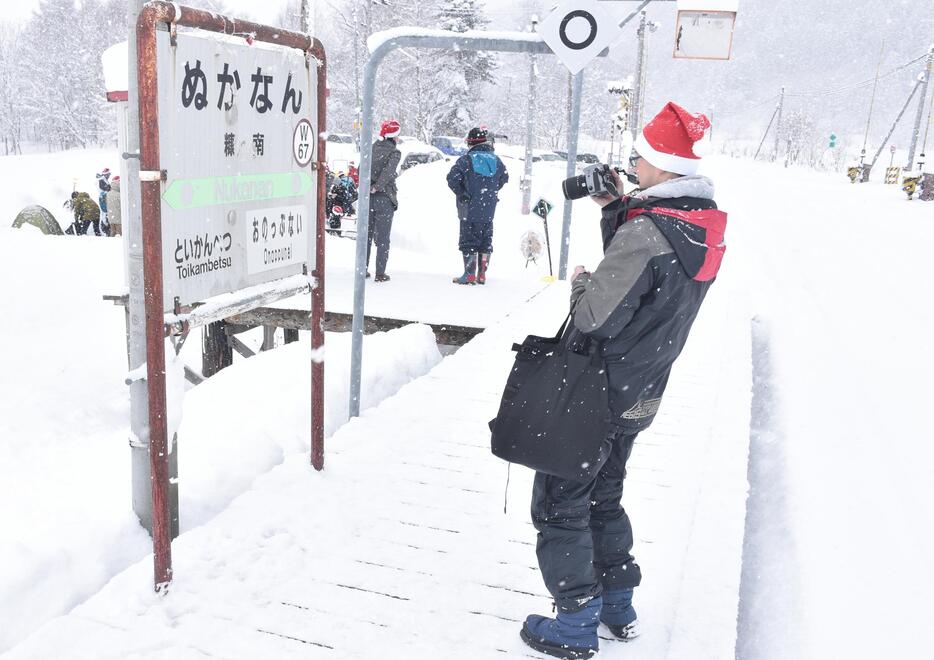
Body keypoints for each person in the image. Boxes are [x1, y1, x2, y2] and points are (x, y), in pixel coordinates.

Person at [519, 102, 728, 659]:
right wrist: (617, 207)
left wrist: (582, 282)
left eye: (641, 156)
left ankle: (575, 621)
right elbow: (651, 278)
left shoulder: (649, 234)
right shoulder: (700, 227)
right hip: (644, 389)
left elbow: (596, 318)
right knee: (604, 494)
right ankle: (617, 604)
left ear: (664, 166)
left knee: (561, 501)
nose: (633, 162)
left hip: (596, 394)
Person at [446, 127, 508, 285]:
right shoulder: (496, 160)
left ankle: (469, 274)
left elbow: (452, 179)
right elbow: (504, 177)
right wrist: (490, 191)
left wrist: (462, 193)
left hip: (469, 208)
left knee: (468, 240)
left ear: (470, 142)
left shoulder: (466, 160)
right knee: (485, 240)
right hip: (489, 209)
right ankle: (482, 275)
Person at [367, 119, 401, 282]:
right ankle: (380, 273)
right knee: (383, 238)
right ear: (393, 136)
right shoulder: (394, 153)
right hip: (384, 198)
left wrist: (369, 186)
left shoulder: (372, 148)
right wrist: (378, 186)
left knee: (365, 236)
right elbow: (388, 172)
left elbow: (362, 169)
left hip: (367, 199)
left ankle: (363, 269)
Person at [97, 168, 112, 234]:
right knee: (105, 213)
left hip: (104, 198)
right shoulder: (102, 180)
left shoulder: (103, 180)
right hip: (103, 198)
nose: (109, 176)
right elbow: (106, 189)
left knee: (105, 213)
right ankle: (106, 228)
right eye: (108, 174)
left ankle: (106, 228)